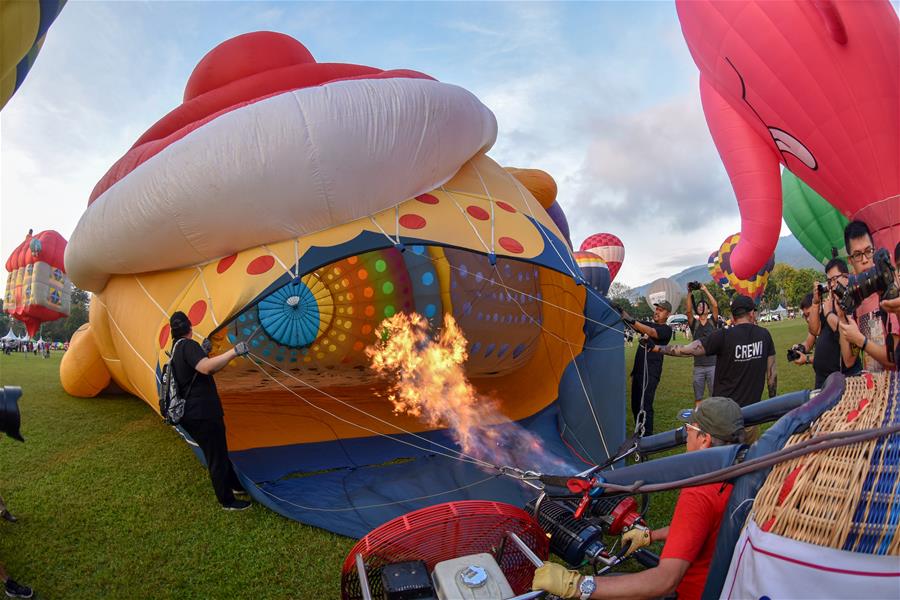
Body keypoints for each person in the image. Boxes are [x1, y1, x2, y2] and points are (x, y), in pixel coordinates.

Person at [532, 397, 746, 600]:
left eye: (690, 428)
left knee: (610, 583)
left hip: (692, 593)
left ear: (704, 440)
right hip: (728, 587)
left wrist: (578, 585)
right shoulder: (744, 472)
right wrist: (651, 536)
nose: (686, 433)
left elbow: (664, 581)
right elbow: (702, 527)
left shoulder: (700, 492)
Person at [652, 295, 775, 441]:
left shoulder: (723, 335)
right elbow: (772, 374)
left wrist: (656, 348)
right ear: (751, 313)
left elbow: (687, 350)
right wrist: (772, 401)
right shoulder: (764, 335)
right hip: (751, 417)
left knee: (724, 459)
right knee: (750, 459)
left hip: (722, 418)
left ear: (732, 316)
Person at [168, 311, 252, 511]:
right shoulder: (189, 346)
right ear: (190, 327)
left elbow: (196, 371)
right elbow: (206, 368)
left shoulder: (176, 348)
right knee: (216, 455)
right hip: (202, 412)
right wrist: (234, 352)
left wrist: (204, 353)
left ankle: (234, 485)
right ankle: (227, 501)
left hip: (190, 413)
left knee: (217, 451)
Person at [837, 221, 899, 372]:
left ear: (874, 250)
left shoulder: (891, 294)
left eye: (868, 251)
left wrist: (860, 340)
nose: (865, 259)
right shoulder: (856, 299)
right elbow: (849, 359)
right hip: (873, 390)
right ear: (850, 261)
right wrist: (841, 316)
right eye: (858, 255)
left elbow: (895, 359)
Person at [622, 300, 673, 435]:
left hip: (651, 372)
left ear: (668, 314)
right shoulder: (649, 324)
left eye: (660, 310)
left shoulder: (666, 330)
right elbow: (632, 323)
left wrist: (632, 321)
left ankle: (647, 438)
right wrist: (620, 311)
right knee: (635, 405)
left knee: (645, 406)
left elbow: (651, 331)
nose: (656, 312)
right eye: (656, 309)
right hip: (639, 371)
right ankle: (639, 434)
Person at [686, 283, 719, 406]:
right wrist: (689, 292)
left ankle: (713, 419)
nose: (701, 306)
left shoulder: (712, 322)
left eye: (704, 305)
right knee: (698, 397)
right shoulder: (694, 324)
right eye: (699, 305)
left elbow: (715, 305)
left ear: (708, 310)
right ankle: (698, 420)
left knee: (714, 396)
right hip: (698, 366)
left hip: (713, 365)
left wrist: (705, 290)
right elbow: (688, 311)